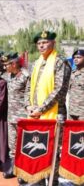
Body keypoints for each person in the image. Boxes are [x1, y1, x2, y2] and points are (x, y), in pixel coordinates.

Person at [24, 31, 71, 185]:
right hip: (35, 114)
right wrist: (28, 105)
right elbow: (29, 87)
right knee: (37, 148)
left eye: (45, 42)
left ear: (53, 43)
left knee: (52, 150)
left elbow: (59, 90)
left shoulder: (60, 62)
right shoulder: (37, 63)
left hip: (54, 113)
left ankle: (52, 181)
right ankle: (37, 179)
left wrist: (41, 109)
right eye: (39, 43)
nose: (41, 45)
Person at [1, 52, 30, 179]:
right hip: (11, 116)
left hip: (22, 117)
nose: (5, 67)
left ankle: (24, 171)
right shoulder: (8, 76)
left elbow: (30, 95)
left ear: (14, 64)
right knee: (12, 145)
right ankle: (13, 167)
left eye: (7, 64)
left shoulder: (26, 76)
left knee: (24, 144)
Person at [68, 49, 84, 121]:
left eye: (79, 57)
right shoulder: (72, 73)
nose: (76, 59)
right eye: (74, 57)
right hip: (72, 111)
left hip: (82, 112)